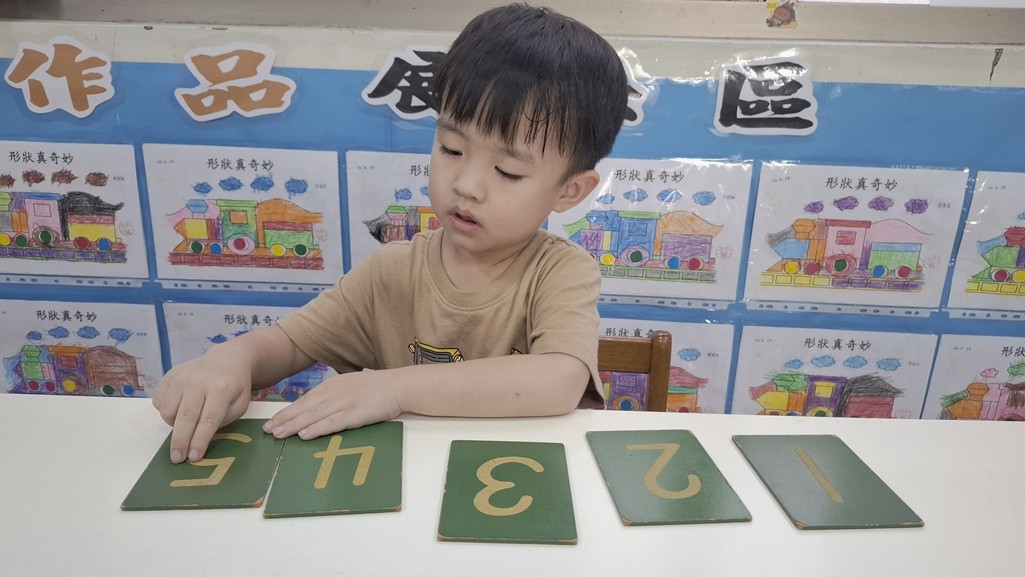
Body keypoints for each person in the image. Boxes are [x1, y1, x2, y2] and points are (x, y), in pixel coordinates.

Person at [153, 2, 629, 464]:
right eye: (451, 148)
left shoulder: (560, 271)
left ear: (569, 191)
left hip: (518, 479)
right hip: (404, 490)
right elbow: (292, 343)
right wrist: (233, 359)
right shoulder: (393, 271)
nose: (466, 185)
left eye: (507, 171)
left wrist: (391, 388)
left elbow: (559, 380)